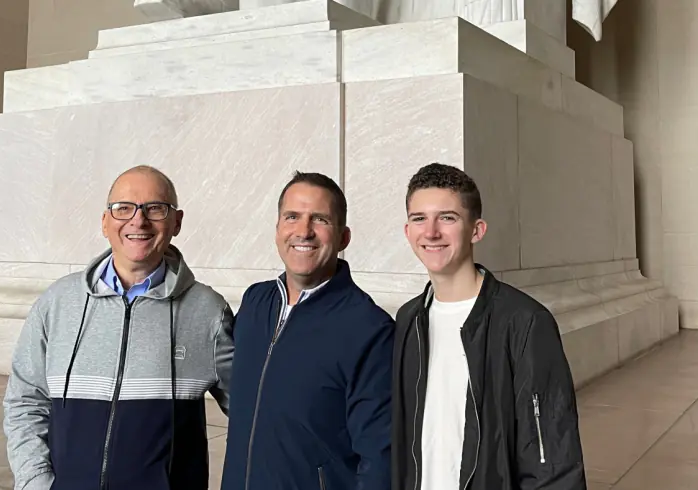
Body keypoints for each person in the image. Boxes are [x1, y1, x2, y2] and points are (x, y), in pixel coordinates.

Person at [3, 165, 235, 490]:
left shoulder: (208, 311)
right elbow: (25, 400)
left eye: (155, 208)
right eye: (123, 208)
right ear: (104, 222)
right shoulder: (57, 303)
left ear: (177, 222)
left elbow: (252, 414)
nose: (137, 221)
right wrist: (35, 483)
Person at [392, 163, 586, 490]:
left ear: (477, 230)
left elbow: (551, 457)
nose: (431, 232)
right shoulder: (408, 320)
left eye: (448, 218)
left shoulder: (525, 322)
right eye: (419, 218)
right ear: (407, 230)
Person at [220, 171, 394, 490]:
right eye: (292, 217)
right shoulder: (255, 302)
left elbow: (379, 457)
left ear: (343, 237)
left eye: (320, 219)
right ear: (277, 230)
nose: (304, 231)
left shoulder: (370, 329)